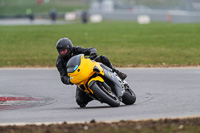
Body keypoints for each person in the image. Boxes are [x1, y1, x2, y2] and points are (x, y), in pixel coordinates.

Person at [56, 37, 127, 107]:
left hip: (89, 68)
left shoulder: (76, 50)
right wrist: (68, 80)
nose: (62, 53)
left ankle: (116, 72)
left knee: (103, 58)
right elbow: (63, 76)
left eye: (64, 50)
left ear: (69, 48)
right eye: (60, 51)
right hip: (81, 79)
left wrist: (93, 52)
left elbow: (89, 50)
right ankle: (96, 94)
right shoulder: (59, 62)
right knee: (80, 101)